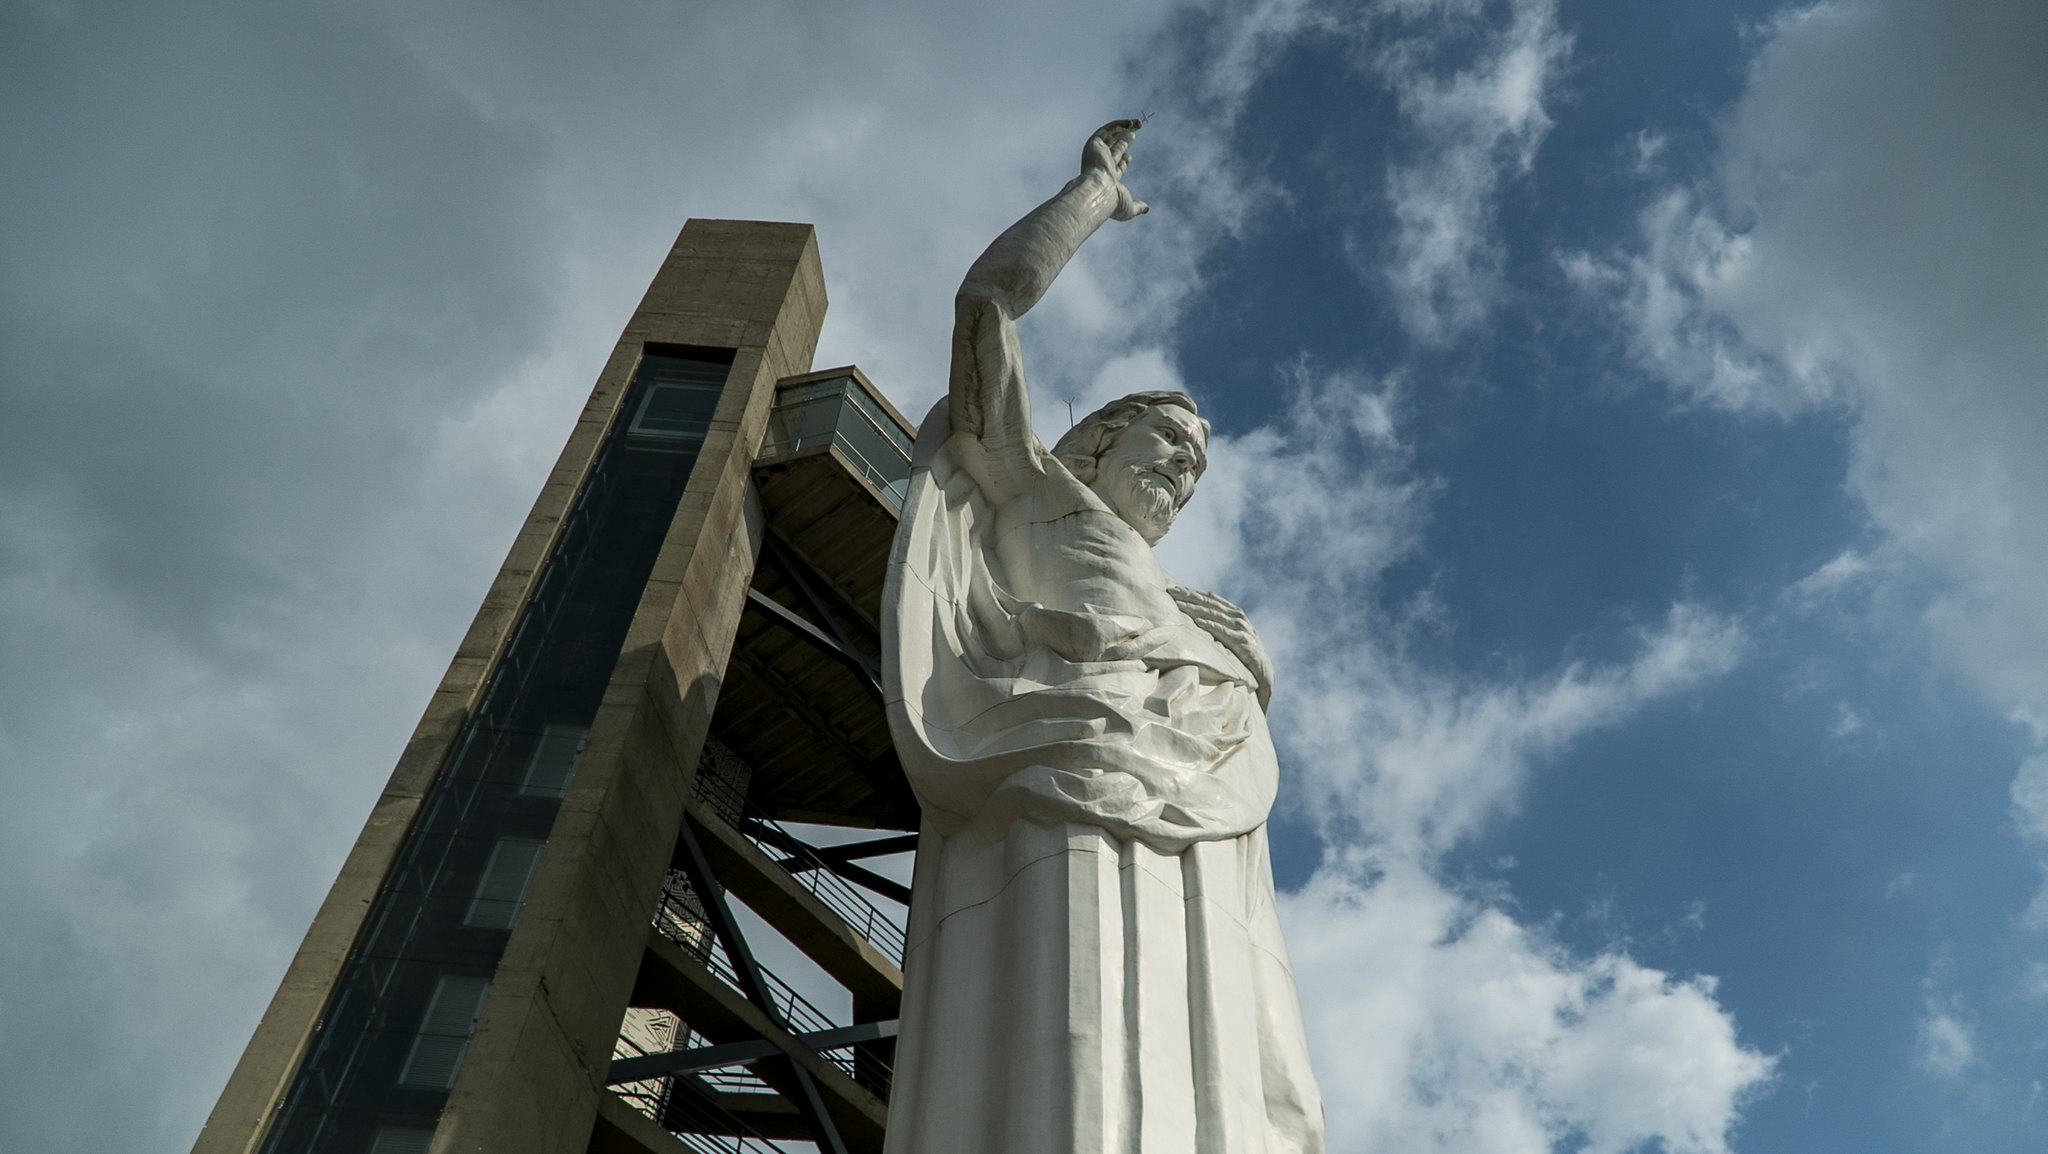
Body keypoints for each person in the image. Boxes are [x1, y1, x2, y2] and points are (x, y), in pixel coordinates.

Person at [881, 119, 1325, 1153]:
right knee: (1076, 1046)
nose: (1183, 466)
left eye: (1198, 462)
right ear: (1095, 438)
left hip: (1201, 829)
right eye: (1167, 439)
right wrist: (1090, 197)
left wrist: (1228, 660)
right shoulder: (1039, 496)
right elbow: (983, 306)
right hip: (1072, 772)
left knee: (1236, 1068)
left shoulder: (1192, 607)